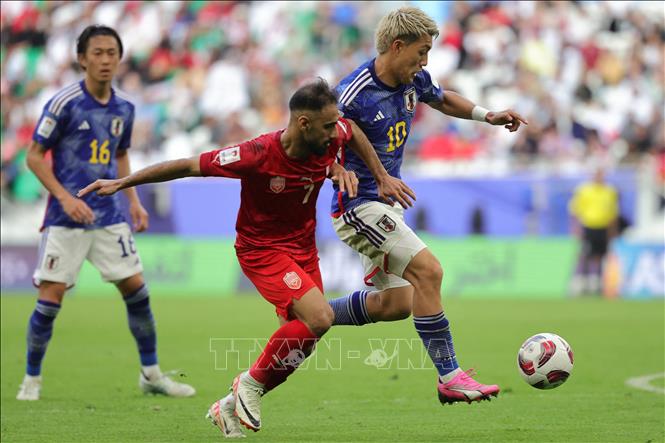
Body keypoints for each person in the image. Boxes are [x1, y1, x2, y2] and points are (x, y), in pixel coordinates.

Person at [78, 78, 411, 438]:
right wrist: (122, 183)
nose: (336, 132)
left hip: (303, 249)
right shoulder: (256, 154)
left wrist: (364, 173)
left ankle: (226, 408)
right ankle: (247, 385)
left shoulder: (330, 134)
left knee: (305, 338)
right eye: (329, 125)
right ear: (303, 123)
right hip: (263, 250)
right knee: (319, 317)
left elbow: (352, 131)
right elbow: (187, 165)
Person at [326, 7, 528, 404]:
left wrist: (487, 115)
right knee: (429, 271)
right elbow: (311, 139)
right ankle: (450, 377)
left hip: (386, 205)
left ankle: (311, 313)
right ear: (397, 46)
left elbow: (442, 99)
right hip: (358, 207)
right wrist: (335, 169)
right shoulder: (352, 93)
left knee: (396, 305)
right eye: (421, 52)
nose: (425, 62)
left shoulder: (413, 79)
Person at [17, 25, 195, 401]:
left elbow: (120, 154)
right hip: (66, 218)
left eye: (111, 53)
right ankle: (31, 380)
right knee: (50, 299)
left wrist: (134, 201)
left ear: (120, 58)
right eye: (97, 53)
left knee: (137, 292)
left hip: (109, 215)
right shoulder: (64, 103)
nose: (105, 60)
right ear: (82, 59)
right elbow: (34, 156)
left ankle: (151, 375)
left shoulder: (125, 108)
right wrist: (65, 198)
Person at [569, 167, 619, 295]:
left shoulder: (609, 191)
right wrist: (576, 228)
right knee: (584, 254)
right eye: (597, 174)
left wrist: (612, 231)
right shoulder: (584, 190)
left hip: (603, 227)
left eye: (601, 175)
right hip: (588, 226)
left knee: (600, 255)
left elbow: (613, 213)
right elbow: (576, 211)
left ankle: (597, 282)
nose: (599, 177)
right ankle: (581, 281)